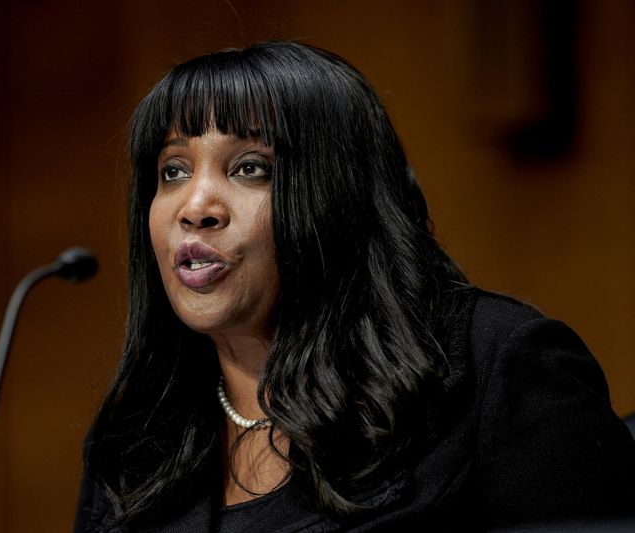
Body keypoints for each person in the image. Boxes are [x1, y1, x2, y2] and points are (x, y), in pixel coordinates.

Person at [74, 41, 635, 532]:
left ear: (340, 195)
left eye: (250, 167)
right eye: (173, 170)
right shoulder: (135, 437)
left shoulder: (494, 367)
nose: (194, 208)